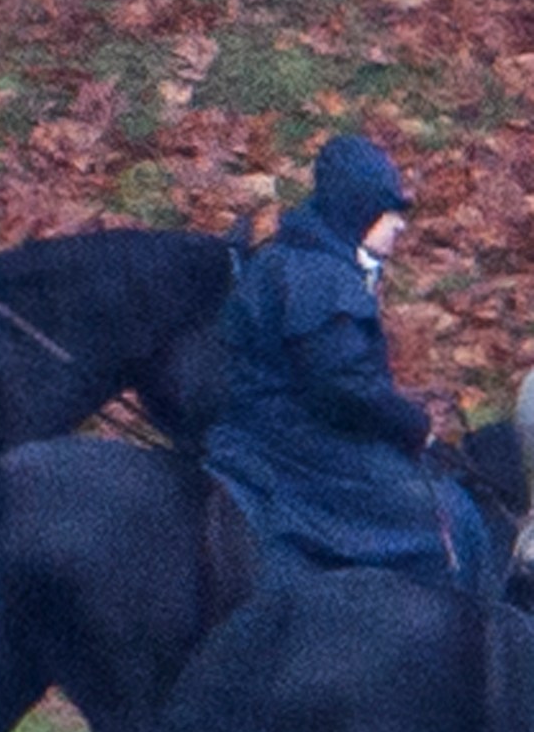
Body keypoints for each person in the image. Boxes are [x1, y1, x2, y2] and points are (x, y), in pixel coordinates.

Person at [205, 134, 499, 599]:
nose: (400, 226)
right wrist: (413, 425)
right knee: (446, 515)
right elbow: (341, 387)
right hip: (290, 443)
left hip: (267, 429)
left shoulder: (294, 259)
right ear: (357, 210)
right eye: (390, 212)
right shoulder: (320, 276)